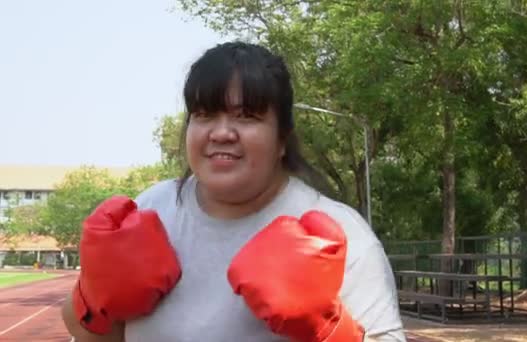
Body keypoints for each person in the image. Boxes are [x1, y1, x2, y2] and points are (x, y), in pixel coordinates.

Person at [61, 41, 406, 342]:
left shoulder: (341, 235)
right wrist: (92, 302)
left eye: (246, 116)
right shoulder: (151, 209)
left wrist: (328, 330)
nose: (221, 132)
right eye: (204, 114)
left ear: (282, 138)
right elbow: (92, 336)